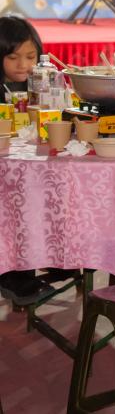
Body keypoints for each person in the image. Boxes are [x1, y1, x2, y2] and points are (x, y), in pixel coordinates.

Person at [0, 16, 44, 305]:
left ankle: (46, 259)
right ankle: (12, 274)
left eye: (30, 57)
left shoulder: (41, 84)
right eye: (13, 57)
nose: (23, 65)